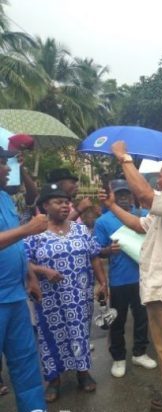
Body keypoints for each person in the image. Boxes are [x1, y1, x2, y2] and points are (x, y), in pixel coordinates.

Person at [99, 141, 162, 412]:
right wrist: (111, 207)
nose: (158, 179)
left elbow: (143, 194)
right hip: (160, 288)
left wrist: (124, 158)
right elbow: (138, 225)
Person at [25, 184, 108, 403]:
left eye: (66, 202)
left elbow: (94, 255)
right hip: (49, 299)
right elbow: (23, 261)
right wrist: (43, 270)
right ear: (45, 206)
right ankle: (54, 380)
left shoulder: (80, 230)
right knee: (50, 337)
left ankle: (83, 372)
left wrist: (102, 281)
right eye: (58, 202)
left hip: (79, 296)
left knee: (79, 333)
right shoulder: (34, 233)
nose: (64, 206)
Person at [94, 179, 157, 378]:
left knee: (142, 318)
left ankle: (139, 352)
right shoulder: (102, 221)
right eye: (119, 194)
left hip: (143, 278)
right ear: (112, 196)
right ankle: (119, 358)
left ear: (132, 196)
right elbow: (97, 252)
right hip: (119, 280)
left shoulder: (144, 216)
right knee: (118, 321)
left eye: (126, 194)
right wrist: (108, 250)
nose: (123, 198)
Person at [0, 147, 47, 412]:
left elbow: (16, 246)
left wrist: (31, 277)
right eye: (2, 164)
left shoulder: (5, 199)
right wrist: (27, 229)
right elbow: (20, 235)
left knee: (25, 361)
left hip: (16, 295)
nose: (8, 169)